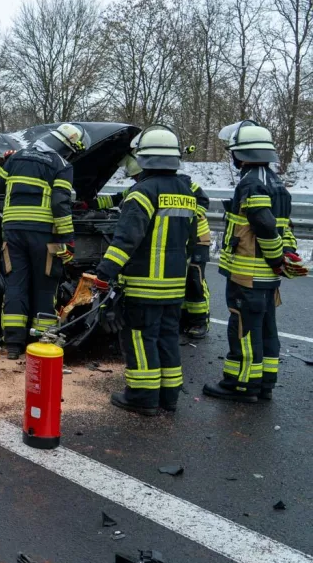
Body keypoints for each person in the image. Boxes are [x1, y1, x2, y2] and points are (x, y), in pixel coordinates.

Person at [93, 125, 198, 416]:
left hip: (144, 284)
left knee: (140, 339)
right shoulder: (186, 192)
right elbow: (189, 239)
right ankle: (168, 397)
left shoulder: (142, 193)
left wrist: (104, 273)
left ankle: (142, 397)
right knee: (167, 338)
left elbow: (126, 241)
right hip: (174, 285)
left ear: (143, 158)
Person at [203, 121, 307, 403]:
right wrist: (286, 254)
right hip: (267, 278)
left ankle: (241, 385)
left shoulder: (251, 183)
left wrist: (275, 258)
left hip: (248, 275)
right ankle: (264, 384)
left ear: (241, 154)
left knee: (243, 329)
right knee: (267, 329)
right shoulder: (276, 183)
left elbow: (264, 224)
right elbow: (284, 227)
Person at [82, 140, 213, 339]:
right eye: (134, 177)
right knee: (171, 282)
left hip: (194, 238)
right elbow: (115, 199)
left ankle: (199, 321)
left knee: (194, 279)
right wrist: (87, 204)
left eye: (137, 175)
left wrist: (187, 217)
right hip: (170, 239)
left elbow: (202, 200)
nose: (136, 179)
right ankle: (178, 318)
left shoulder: (184, 183)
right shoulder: (143, 187)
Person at [0, 123, 85, 360]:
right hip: (44, 235)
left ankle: (13, 344)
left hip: (12, 232)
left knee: (15, 284)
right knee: (45, 286)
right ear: (69, 148)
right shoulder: (61, 165)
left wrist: (5, 162)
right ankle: (40, 343)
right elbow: (60, 204)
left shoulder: (16, 157)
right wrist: (68, 240)